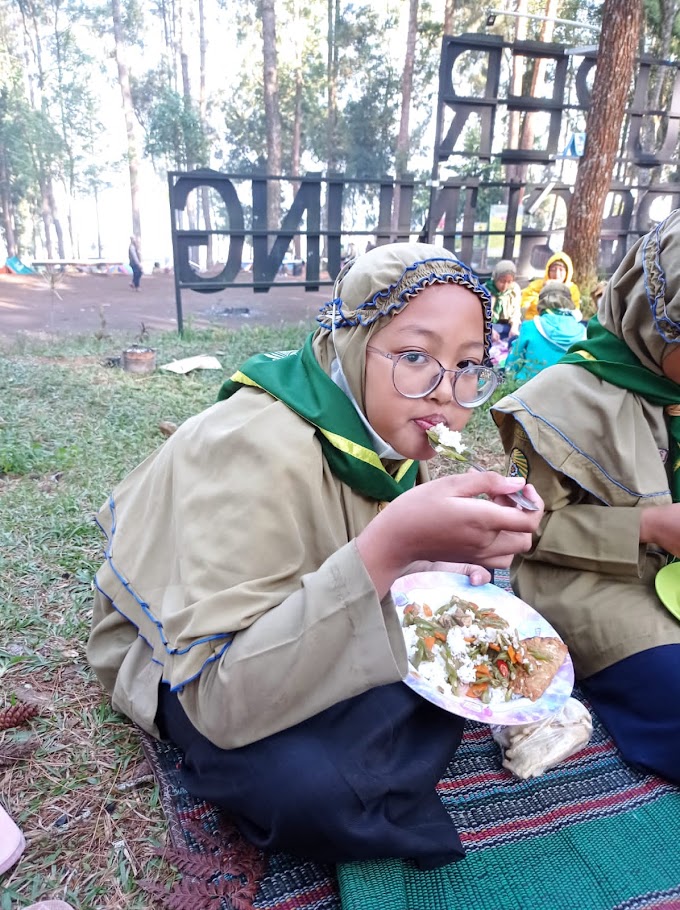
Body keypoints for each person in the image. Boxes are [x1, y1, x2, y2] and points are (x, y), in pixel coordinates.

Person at [87, 242, 543, 868]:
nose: (447, 394)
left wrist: (431, 561)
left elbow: (343, 548)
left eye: (468, 365)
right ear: (354, 343)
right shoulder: (256, 445)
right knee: (310, 790)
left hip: (298, 627)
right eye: (414, 356)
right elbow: (221, 694)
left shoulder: (382, 423)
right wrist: (395, 548)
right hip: (190, 663)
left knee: (466, 641)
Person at [491, 210, 680, 786]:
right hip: (593, 584)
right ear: (657, 319)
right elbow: (525, 532)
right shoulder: (559, 400)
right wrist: (647, 528)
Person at [504, 280, 587, 383]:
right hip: (570, 392)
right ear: (569, 302)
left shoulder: (530, 326)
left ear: (541, 303)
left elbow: (511, 365)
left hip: (529, 391)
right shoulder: (584, 332)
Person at [521, 251, 580, 321]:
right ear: (548, 271)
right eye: (553, 270)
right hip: (536, 324)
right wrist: (545, 291)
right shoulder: (535, 286)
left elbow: (574, 313)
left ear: (567, 272)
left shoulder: (572, 289)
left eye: (561, 270)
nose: (557, 274)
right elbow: (524, 306)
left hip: (561, 326)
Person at [484, 259, 522, 343]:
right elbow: (479, 317)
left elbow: (516, 312)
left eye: (509, 282)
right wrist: (489, 330)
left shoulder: (514, 290)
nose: (505, 286)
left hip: (507, 326)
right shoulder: (485, 290)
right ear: (495, 278)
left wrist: (514, 327)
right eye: (502, 281)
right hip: (489, 326)